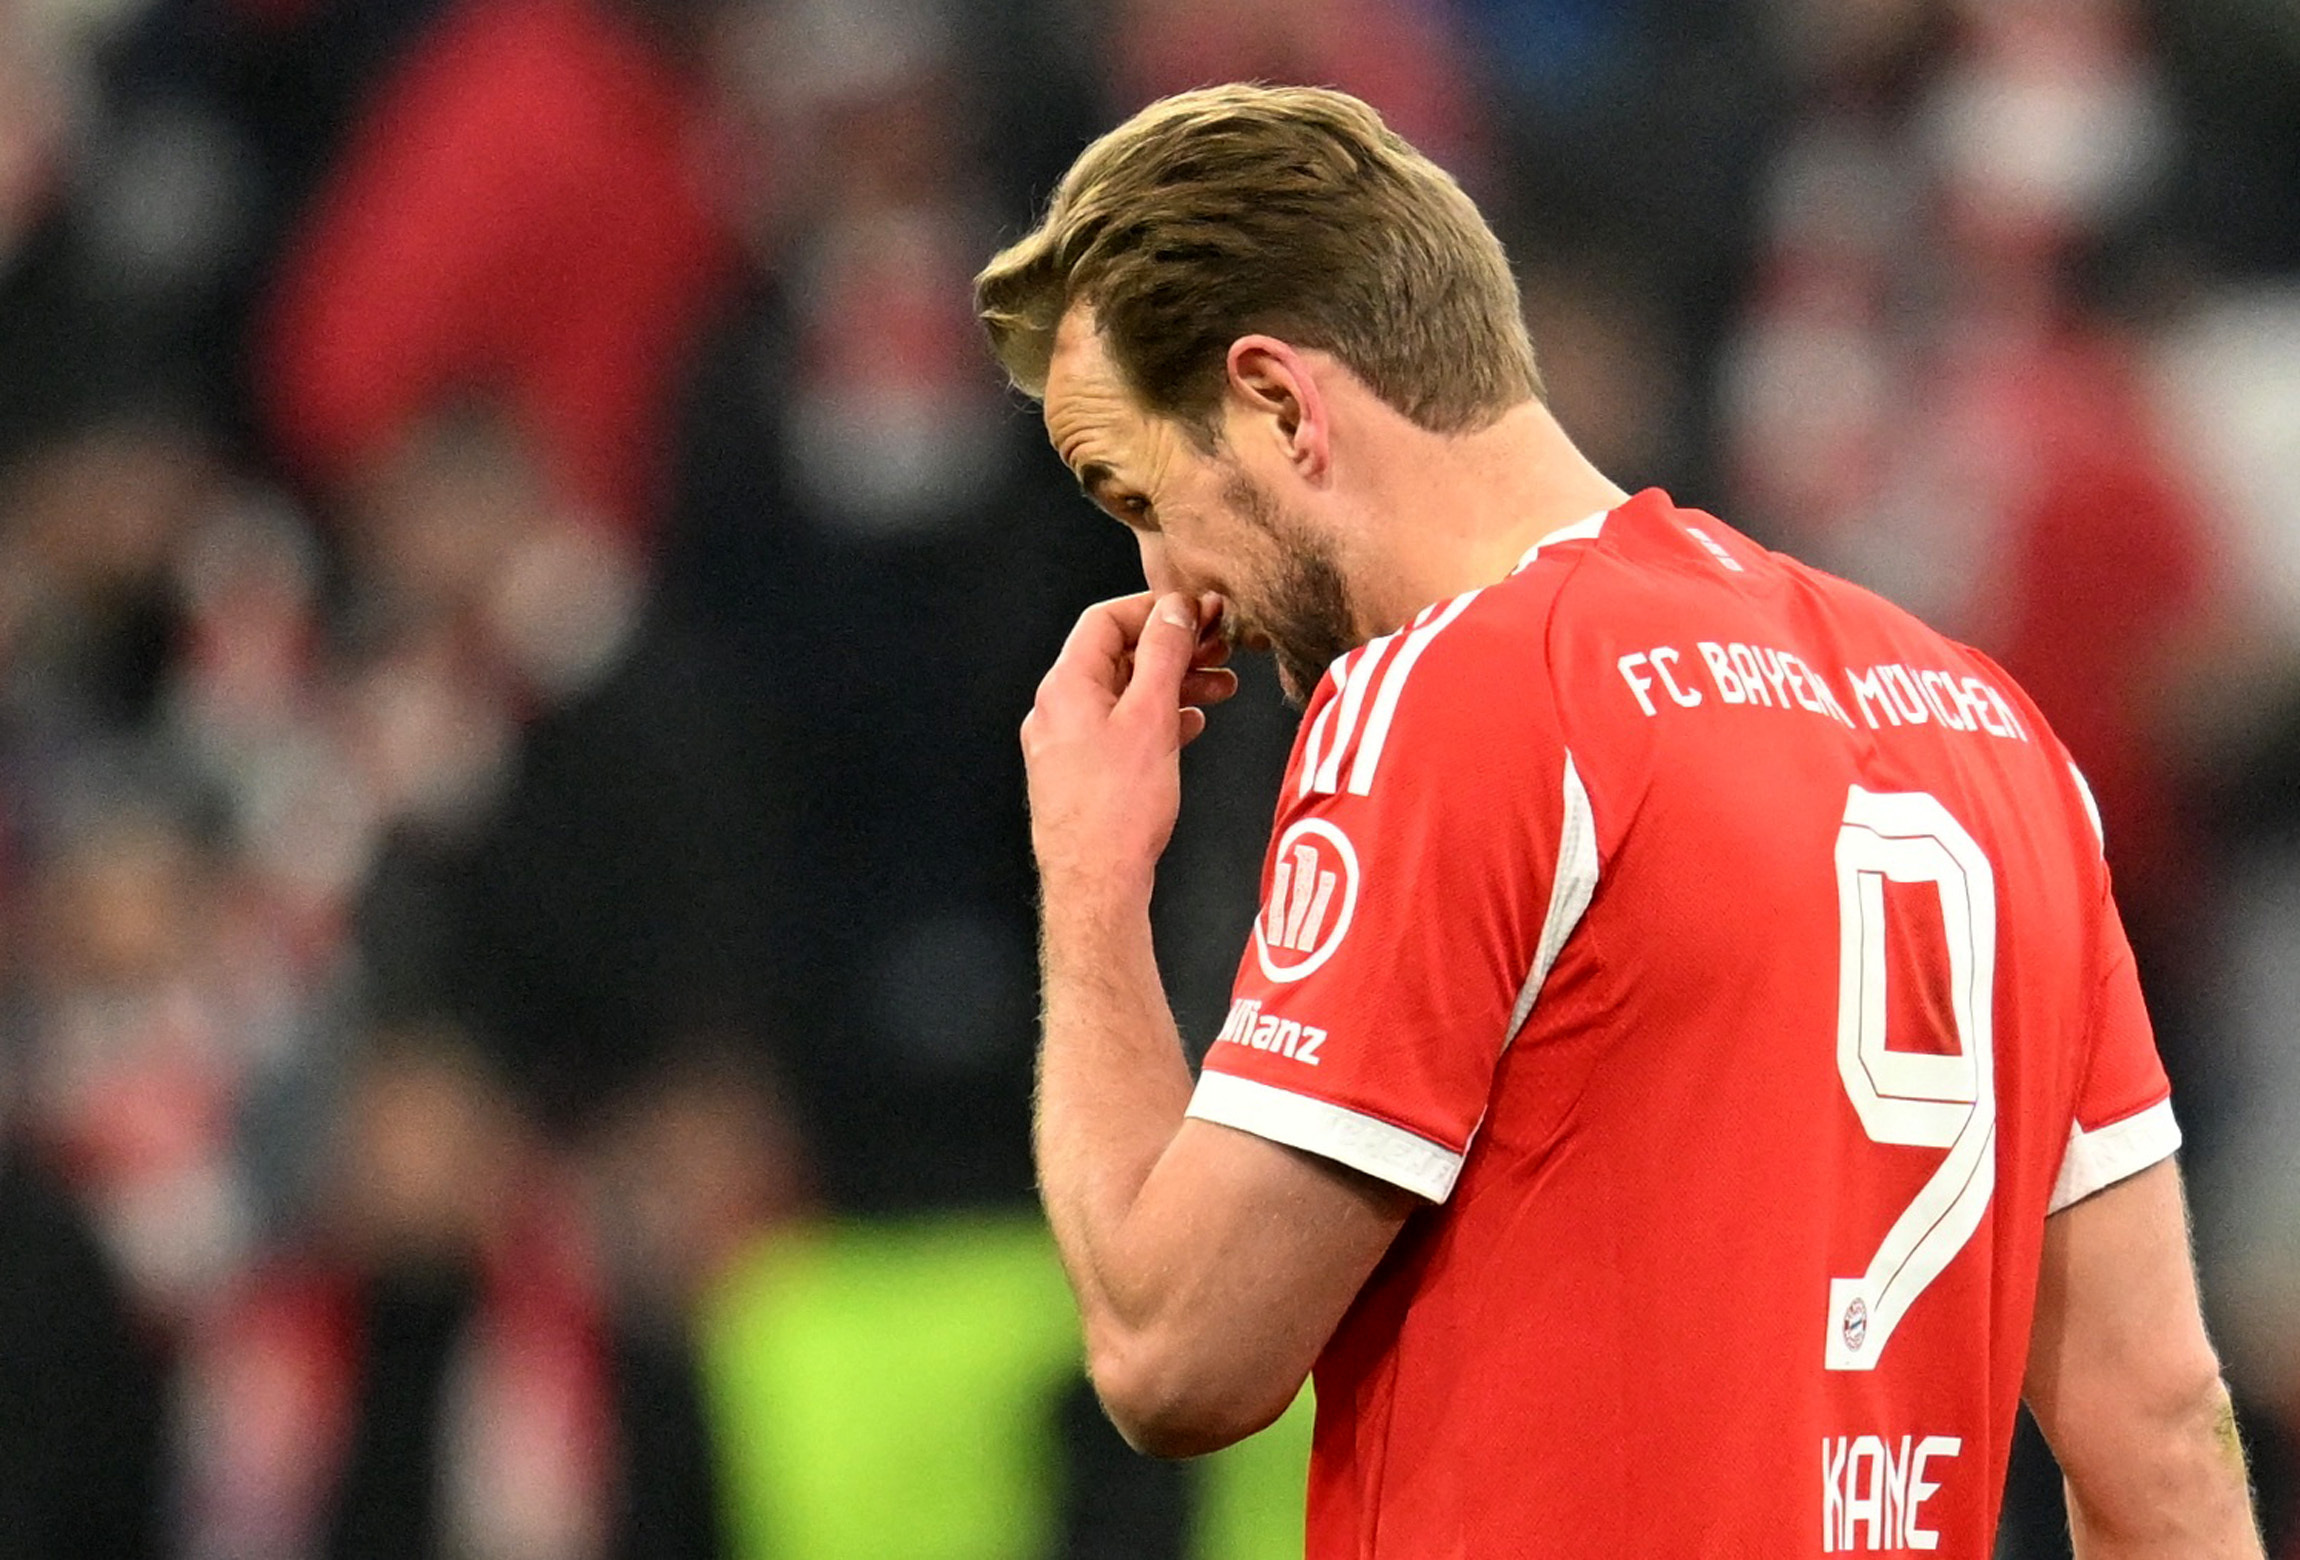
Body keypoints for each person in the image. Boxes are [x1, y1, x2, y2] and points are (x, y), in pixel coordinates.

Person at [973, 83, 2266, 1556]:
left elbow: (1175, 1356)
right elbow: (2164, 1435)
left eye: (1137, 493)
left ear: (1280, 403)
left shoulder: (1458, 696)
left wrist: (1089, 869)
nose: (1166, 583)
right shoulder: (1990, 732)